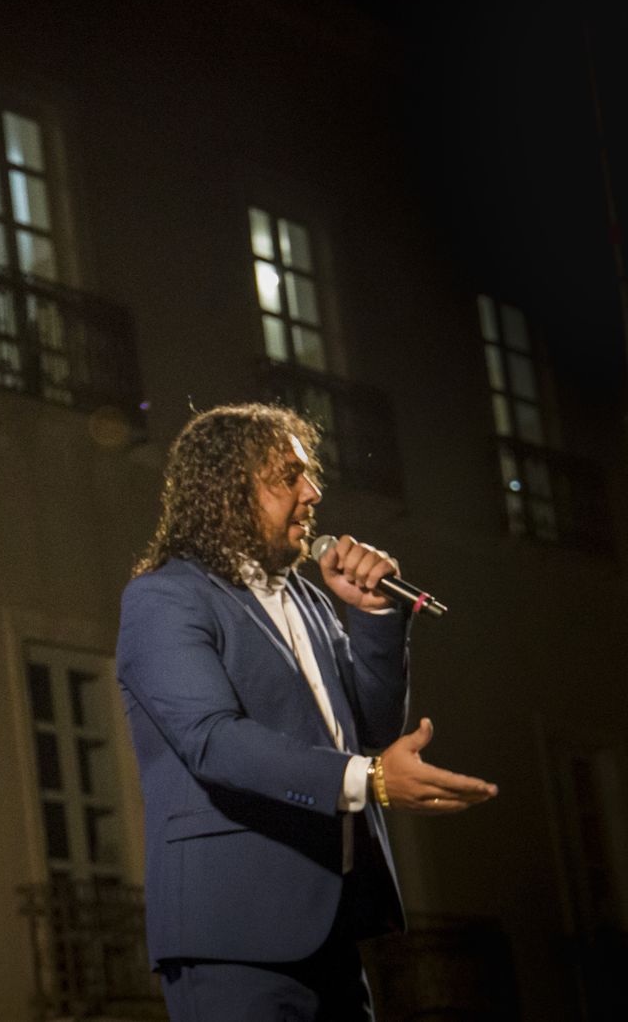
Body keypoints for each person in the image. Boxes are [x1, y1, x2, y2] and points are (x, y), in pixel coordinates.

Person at [116, 403, 496, 1020]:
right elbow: (212, 740)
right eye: (289, 477)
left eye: (309, 475)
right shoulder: (165, 597)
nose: (313, 492)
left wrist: (374, 614)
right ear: (228, 490)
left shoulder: (309, 600)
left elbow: (370, 728)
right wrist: (371, 780)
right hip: (232, 936)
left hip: (331, 930)